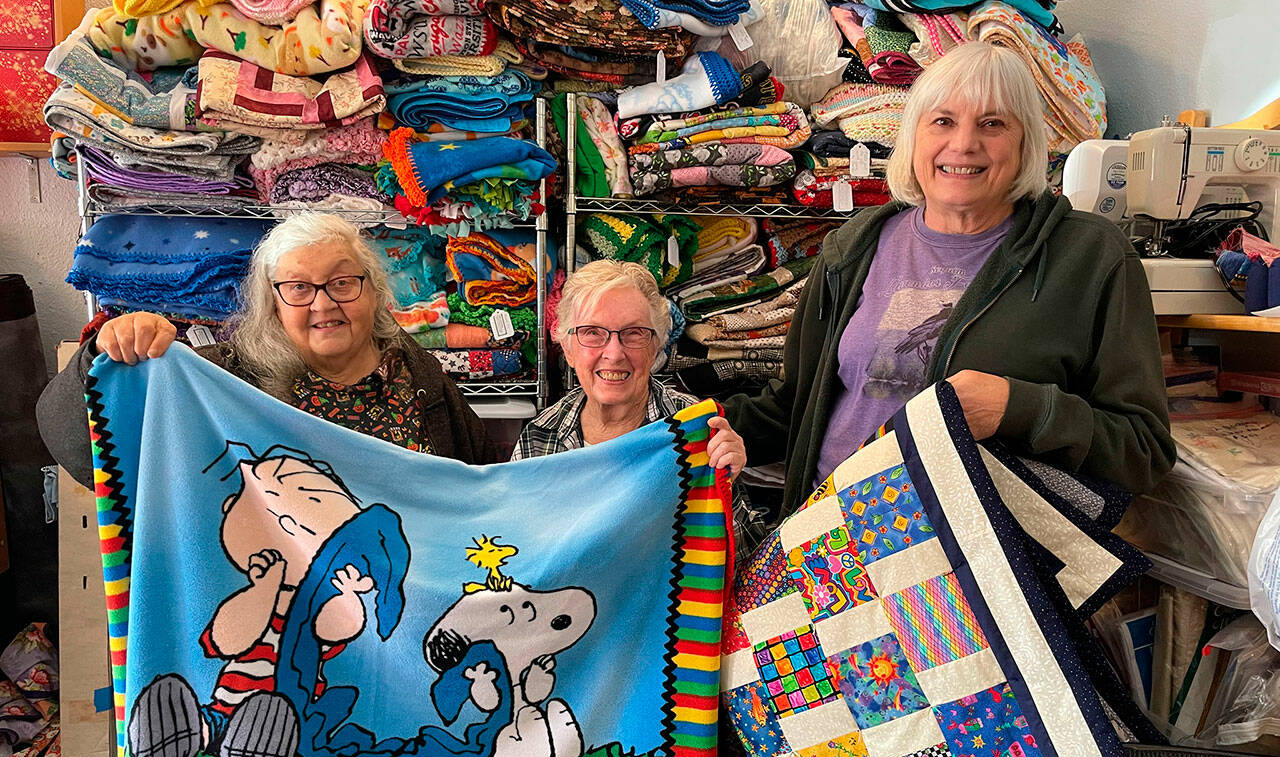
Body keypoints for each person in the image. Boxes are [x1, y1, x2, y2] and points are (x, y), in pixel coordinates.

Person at [725, 41, 1175, 517]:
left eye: (992, 124)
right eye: (942, 121)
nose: (963, 144)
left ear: (1025, 142)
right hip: (834, 538)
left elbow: (1143, 451)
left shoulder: (1090, 256)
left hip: (978, 554)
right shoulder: (856, 244)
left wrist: (1017, 408)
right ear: (913, 136)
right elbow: (795, 405)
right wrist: (700, 428)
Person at [39, 212, 502, 487]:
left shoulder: (416, 373)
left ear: (374, 291)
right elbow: (84, 449)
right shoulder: (225, 381)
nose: (324, 303)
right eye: (299, 288)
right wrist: (105, 355)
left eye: (343, 282)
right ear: (273, 304)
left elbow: (480, 481)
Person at [512, 259, 756, 531]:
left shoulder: (695, 430)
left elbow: (744, 553)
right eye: (592, 332)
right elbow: (519, 544)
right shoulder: (540, 436)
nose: (614, 354)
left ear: (656, 347)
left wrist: (727, 486)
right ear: (568, 349)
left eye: (634, 333)